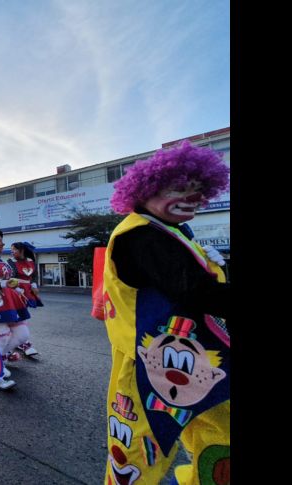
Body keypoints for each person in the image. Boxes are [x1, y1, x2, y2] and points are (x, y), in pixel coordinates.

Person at [101, 141, 230, 485]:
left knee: (218, 435)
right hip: (147, 365)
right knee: (138, 454)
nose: (191, 198)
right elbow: (197, 293)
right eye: (180, 188)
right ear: (146, 189)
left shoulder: (167, 231)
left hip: (195, 361)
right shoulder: (140, 236)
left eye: (199, 191)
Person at [0, 230, 32, 390]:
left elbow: (7, 281)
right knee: (0, 337)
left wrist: (18, 290)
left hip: (9, 302)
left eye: (1, 241)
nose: (2, 243)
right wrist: (4, 284)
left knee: (23, 334)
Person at [6, 241, 42, 358]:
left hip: (27, 291)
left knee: (24, 314)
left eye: (14, 249)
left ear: (22, 250)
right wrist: (16, 289)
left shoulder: (31, 261)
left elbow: (33, 276)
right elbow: (8, 278)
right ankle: (16, 341)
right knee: (14, 315)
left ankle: (21, 340)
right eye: (11, 249)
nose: (12, 251)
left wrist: (34, 285)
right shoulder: (10, 262)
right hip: (14, 291)